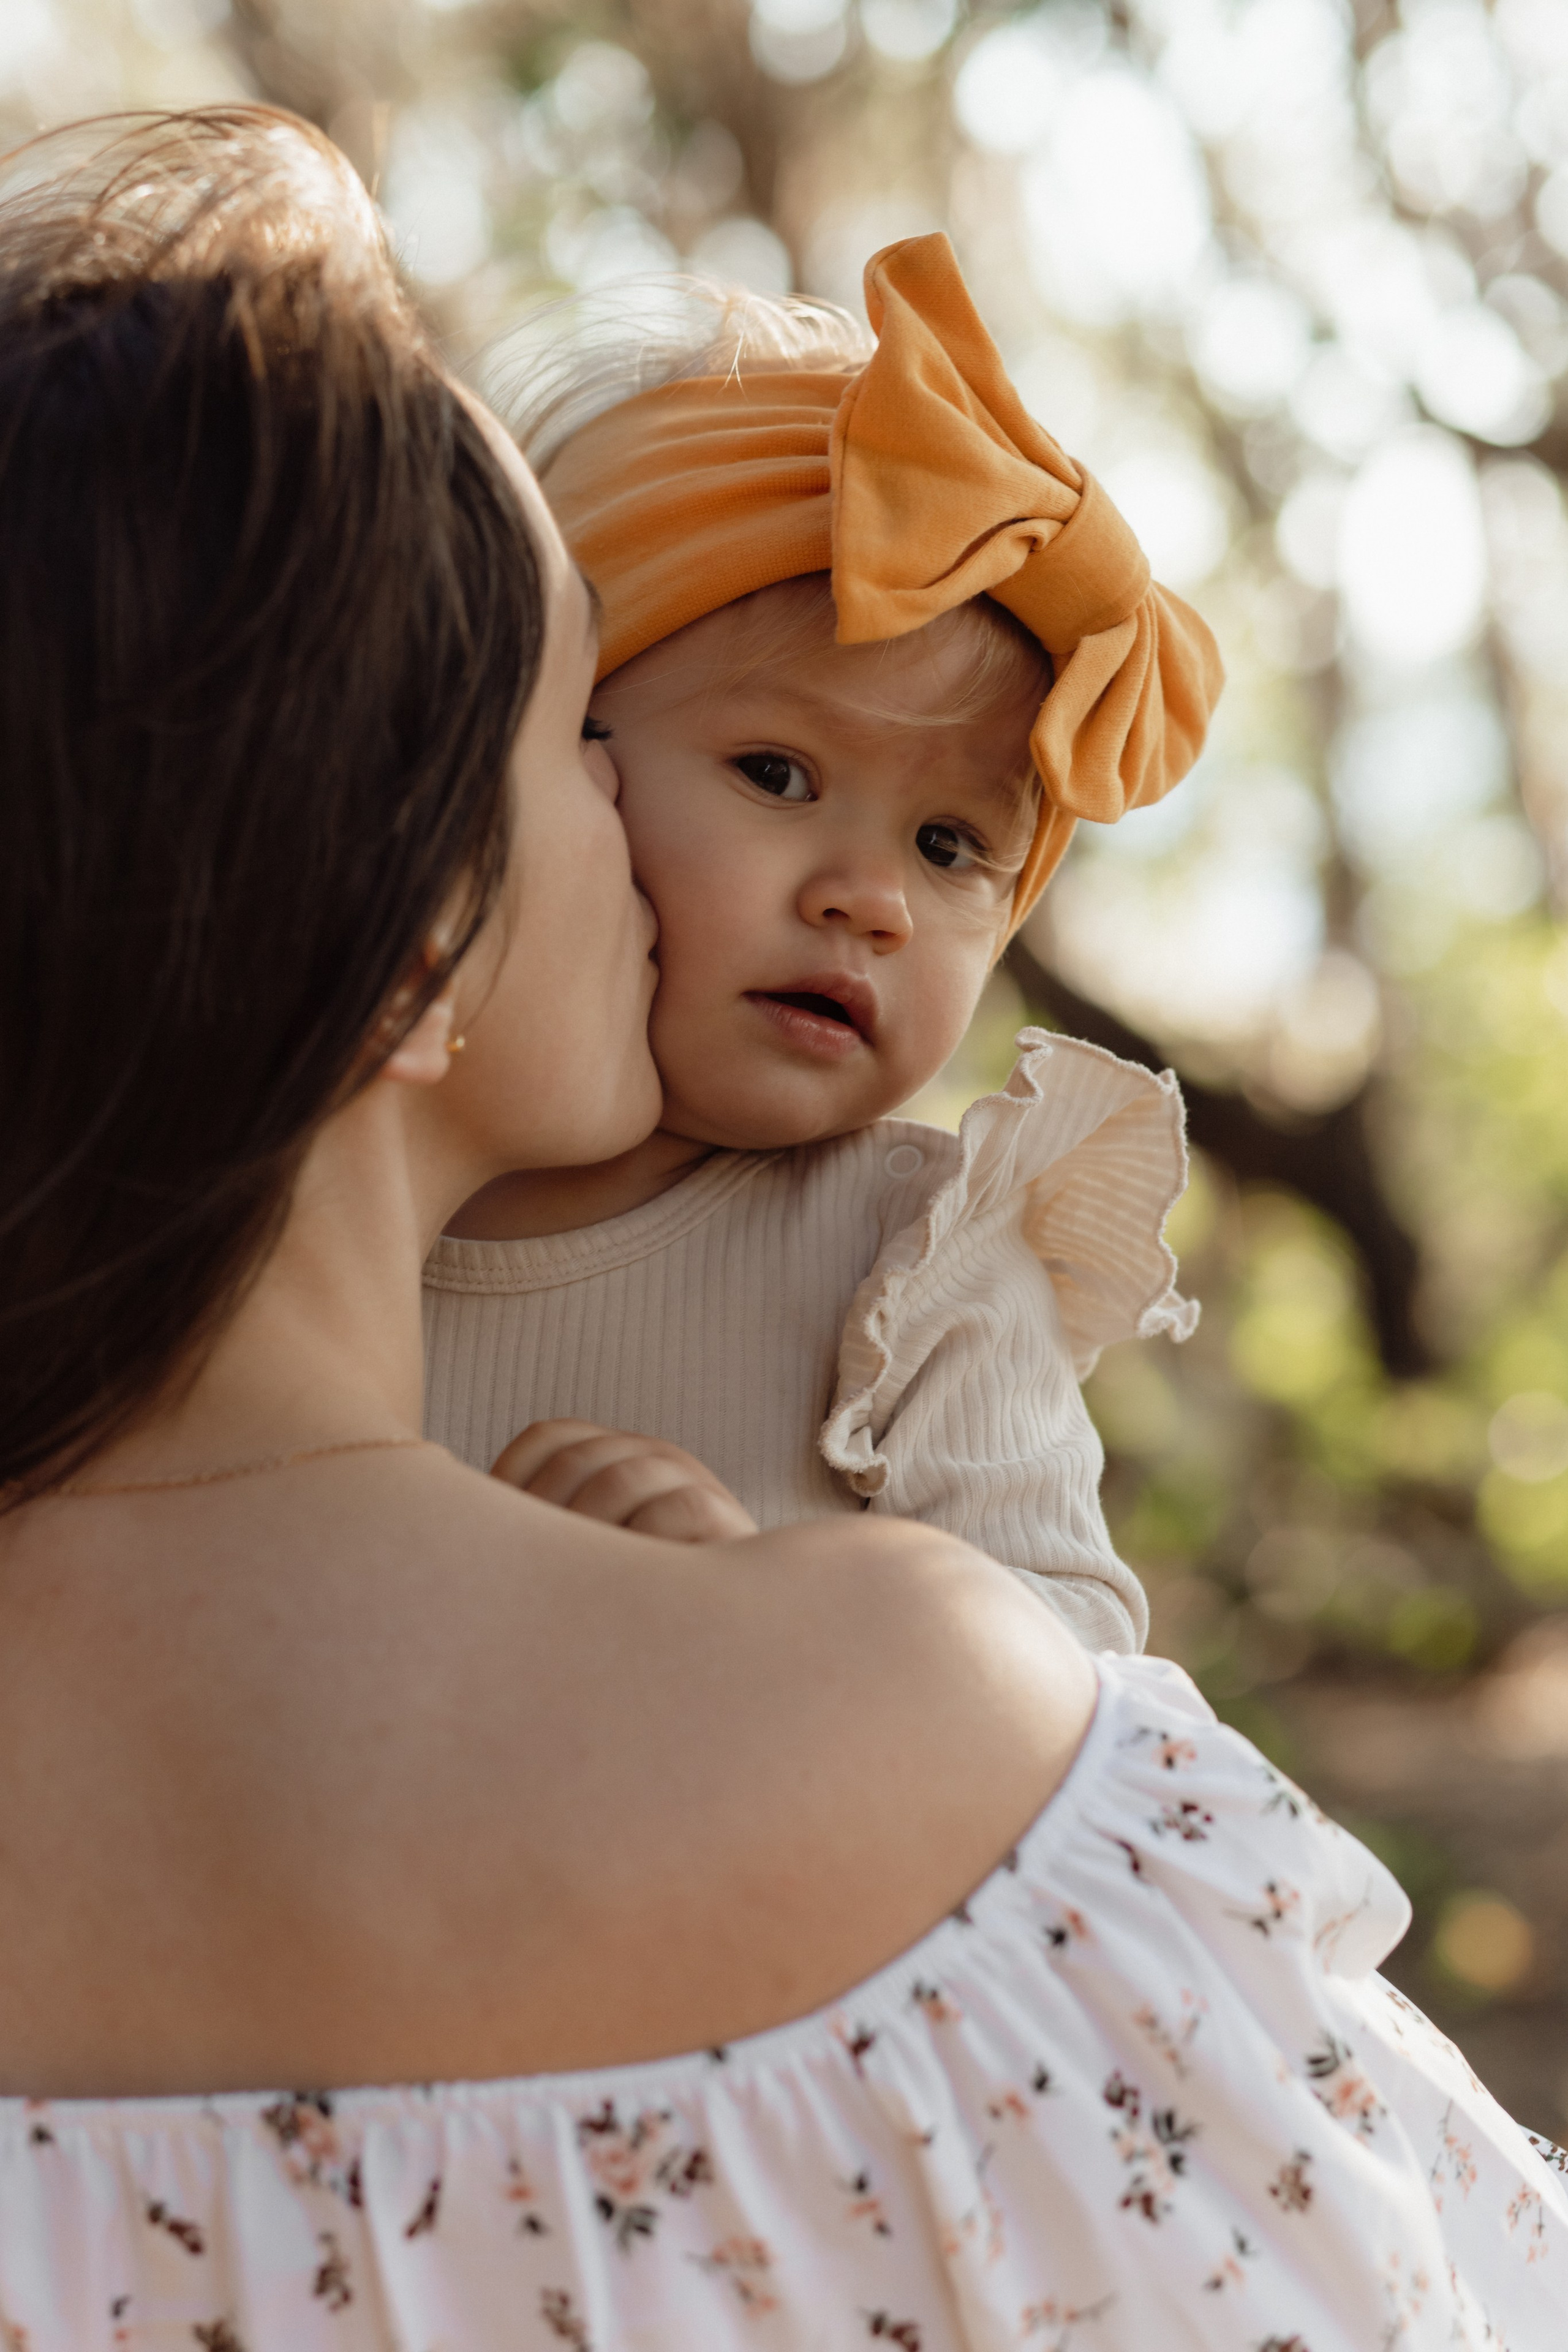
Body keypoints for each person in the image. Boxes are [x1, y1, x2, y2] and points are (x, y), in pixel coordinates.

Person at [0, 102, 1562, 2352]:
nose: (842, 891)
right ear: (411, 916)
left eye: (955, 849)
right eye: (573, 731)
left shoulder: (906, 1292)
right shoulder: (930, 1755)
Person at [424, 239, 1216, 1654]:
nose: (873, 902)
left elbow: (1082, 1687)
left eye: (949, 847)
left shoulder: (910, 1266)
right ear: (534, 760)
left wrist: (771, 1627)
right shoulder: (321, 1206)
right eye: (778, 775)